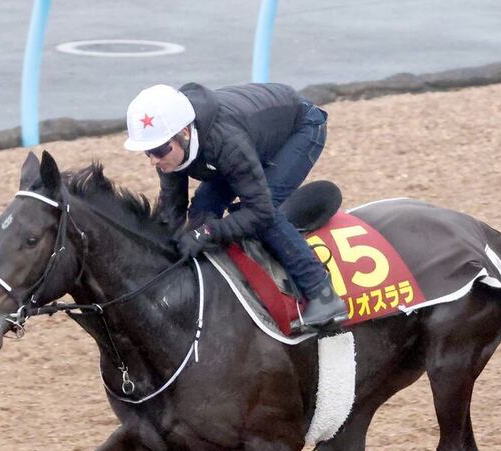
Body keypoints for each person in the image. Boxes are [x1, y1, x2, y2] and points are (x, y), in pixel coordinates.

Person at [124, 82, 348, 330]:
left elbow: (259, 211)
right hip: (247, 142)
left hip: (300, 130)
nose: (154, 160)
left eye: (159, 150)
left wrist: (207, 232)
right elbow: (172, 208)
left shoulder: (226, 142)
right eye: (147, 152)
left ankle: (322, 293)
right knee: (201, 212)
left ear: (185, 133)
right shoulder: (171, 148)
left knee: (262, 215)